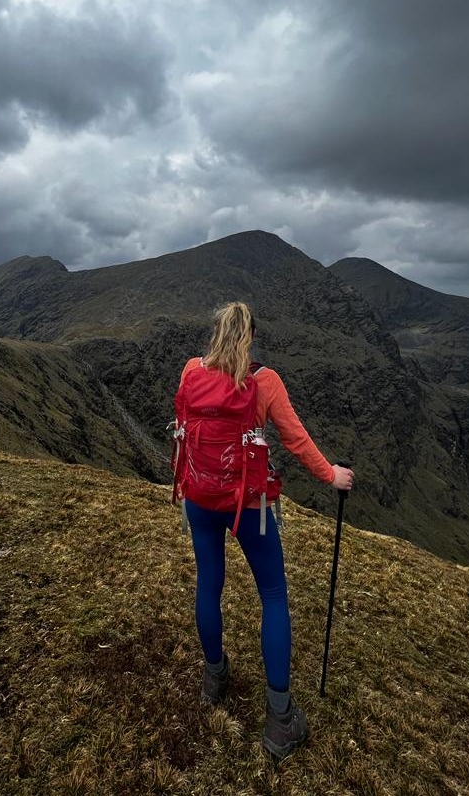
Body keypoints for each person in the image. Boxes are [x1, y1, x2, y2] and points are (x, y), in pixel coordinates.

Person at [175, 301, 354, 760]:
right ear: (249, 336)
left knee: (209, 584)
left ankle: (214, 678)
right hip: (248, 506)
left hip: (199, 498)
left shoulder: (190, 371)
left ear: (215, 333)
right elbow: (295, 439)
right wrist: (330, 475)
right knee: (273, 595)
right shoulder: (264, 382)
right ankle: (280, 719)